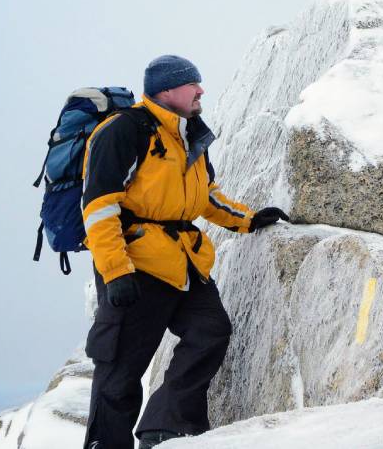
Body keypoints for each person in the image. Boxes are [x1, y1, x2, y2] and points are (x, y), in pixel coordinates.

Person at [80, 55, 289, 449]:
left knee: (210, 331)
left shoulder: (189, 133)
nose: (201, 91)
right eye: (193, 84)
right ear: (166, 91)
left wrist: (248, 218)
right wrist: (115, 271)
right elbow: (99, 208)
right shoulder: (124, 131)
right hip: (136, 265)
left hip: (185, 262)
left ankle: (166, 425)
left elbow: (204, 196)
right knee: (121, 373)